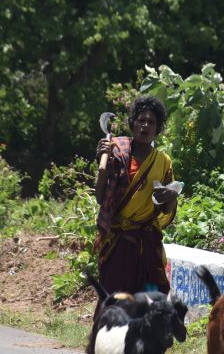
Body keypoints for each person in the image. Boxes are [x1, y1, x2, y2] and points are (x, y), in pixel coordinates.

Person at [92, 95, 179, 318]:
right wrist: (102, 158)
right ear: (133, 124)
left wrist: (171, 196)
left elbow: (168, 209)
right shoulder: (117, 151)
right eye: (141, 120)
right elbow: (101, 197)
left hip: (147, 243)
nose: (145, 125)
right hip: (119, 243)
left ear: (157, 129)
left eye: (151, 122)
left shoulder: (163, 162)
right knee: (113, 302)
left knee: (153, 303)